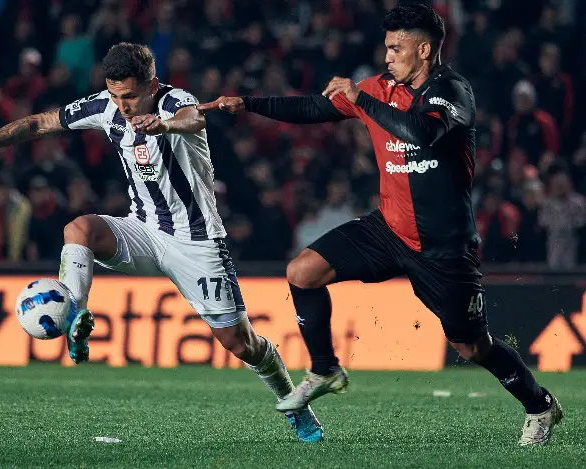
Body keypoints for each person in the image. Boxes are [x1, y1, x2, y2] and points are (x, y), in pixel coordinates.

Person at [198, 4, 562, 446]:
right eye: (386, 48)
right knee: (302, 272)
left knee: (472, 346)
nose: (387, 57)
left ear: (423, 50)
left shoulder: (452, 91)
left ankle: (540, 405)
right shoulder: (380, 88)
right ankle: (325, 369)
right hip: (388, 229)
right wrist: (249, 104)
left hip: (443, 247)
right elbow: (314, 107)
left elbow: (422, 133)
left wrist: (361, 100)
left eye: (396, 48)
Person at [0, 42, 323, 443]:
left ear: (152, 85)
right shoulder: (106, 107)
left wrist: (164, 126)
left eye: (130, 96)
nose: (122, 105)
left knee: (240, 344)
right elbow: (40, 123)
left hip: (195, 242)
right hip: (143, 230)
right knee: (79, 229)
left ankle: (293, 402)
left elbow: (193, 119)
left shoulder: (175, 101)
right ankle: (75, 317)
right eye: (115, 95)